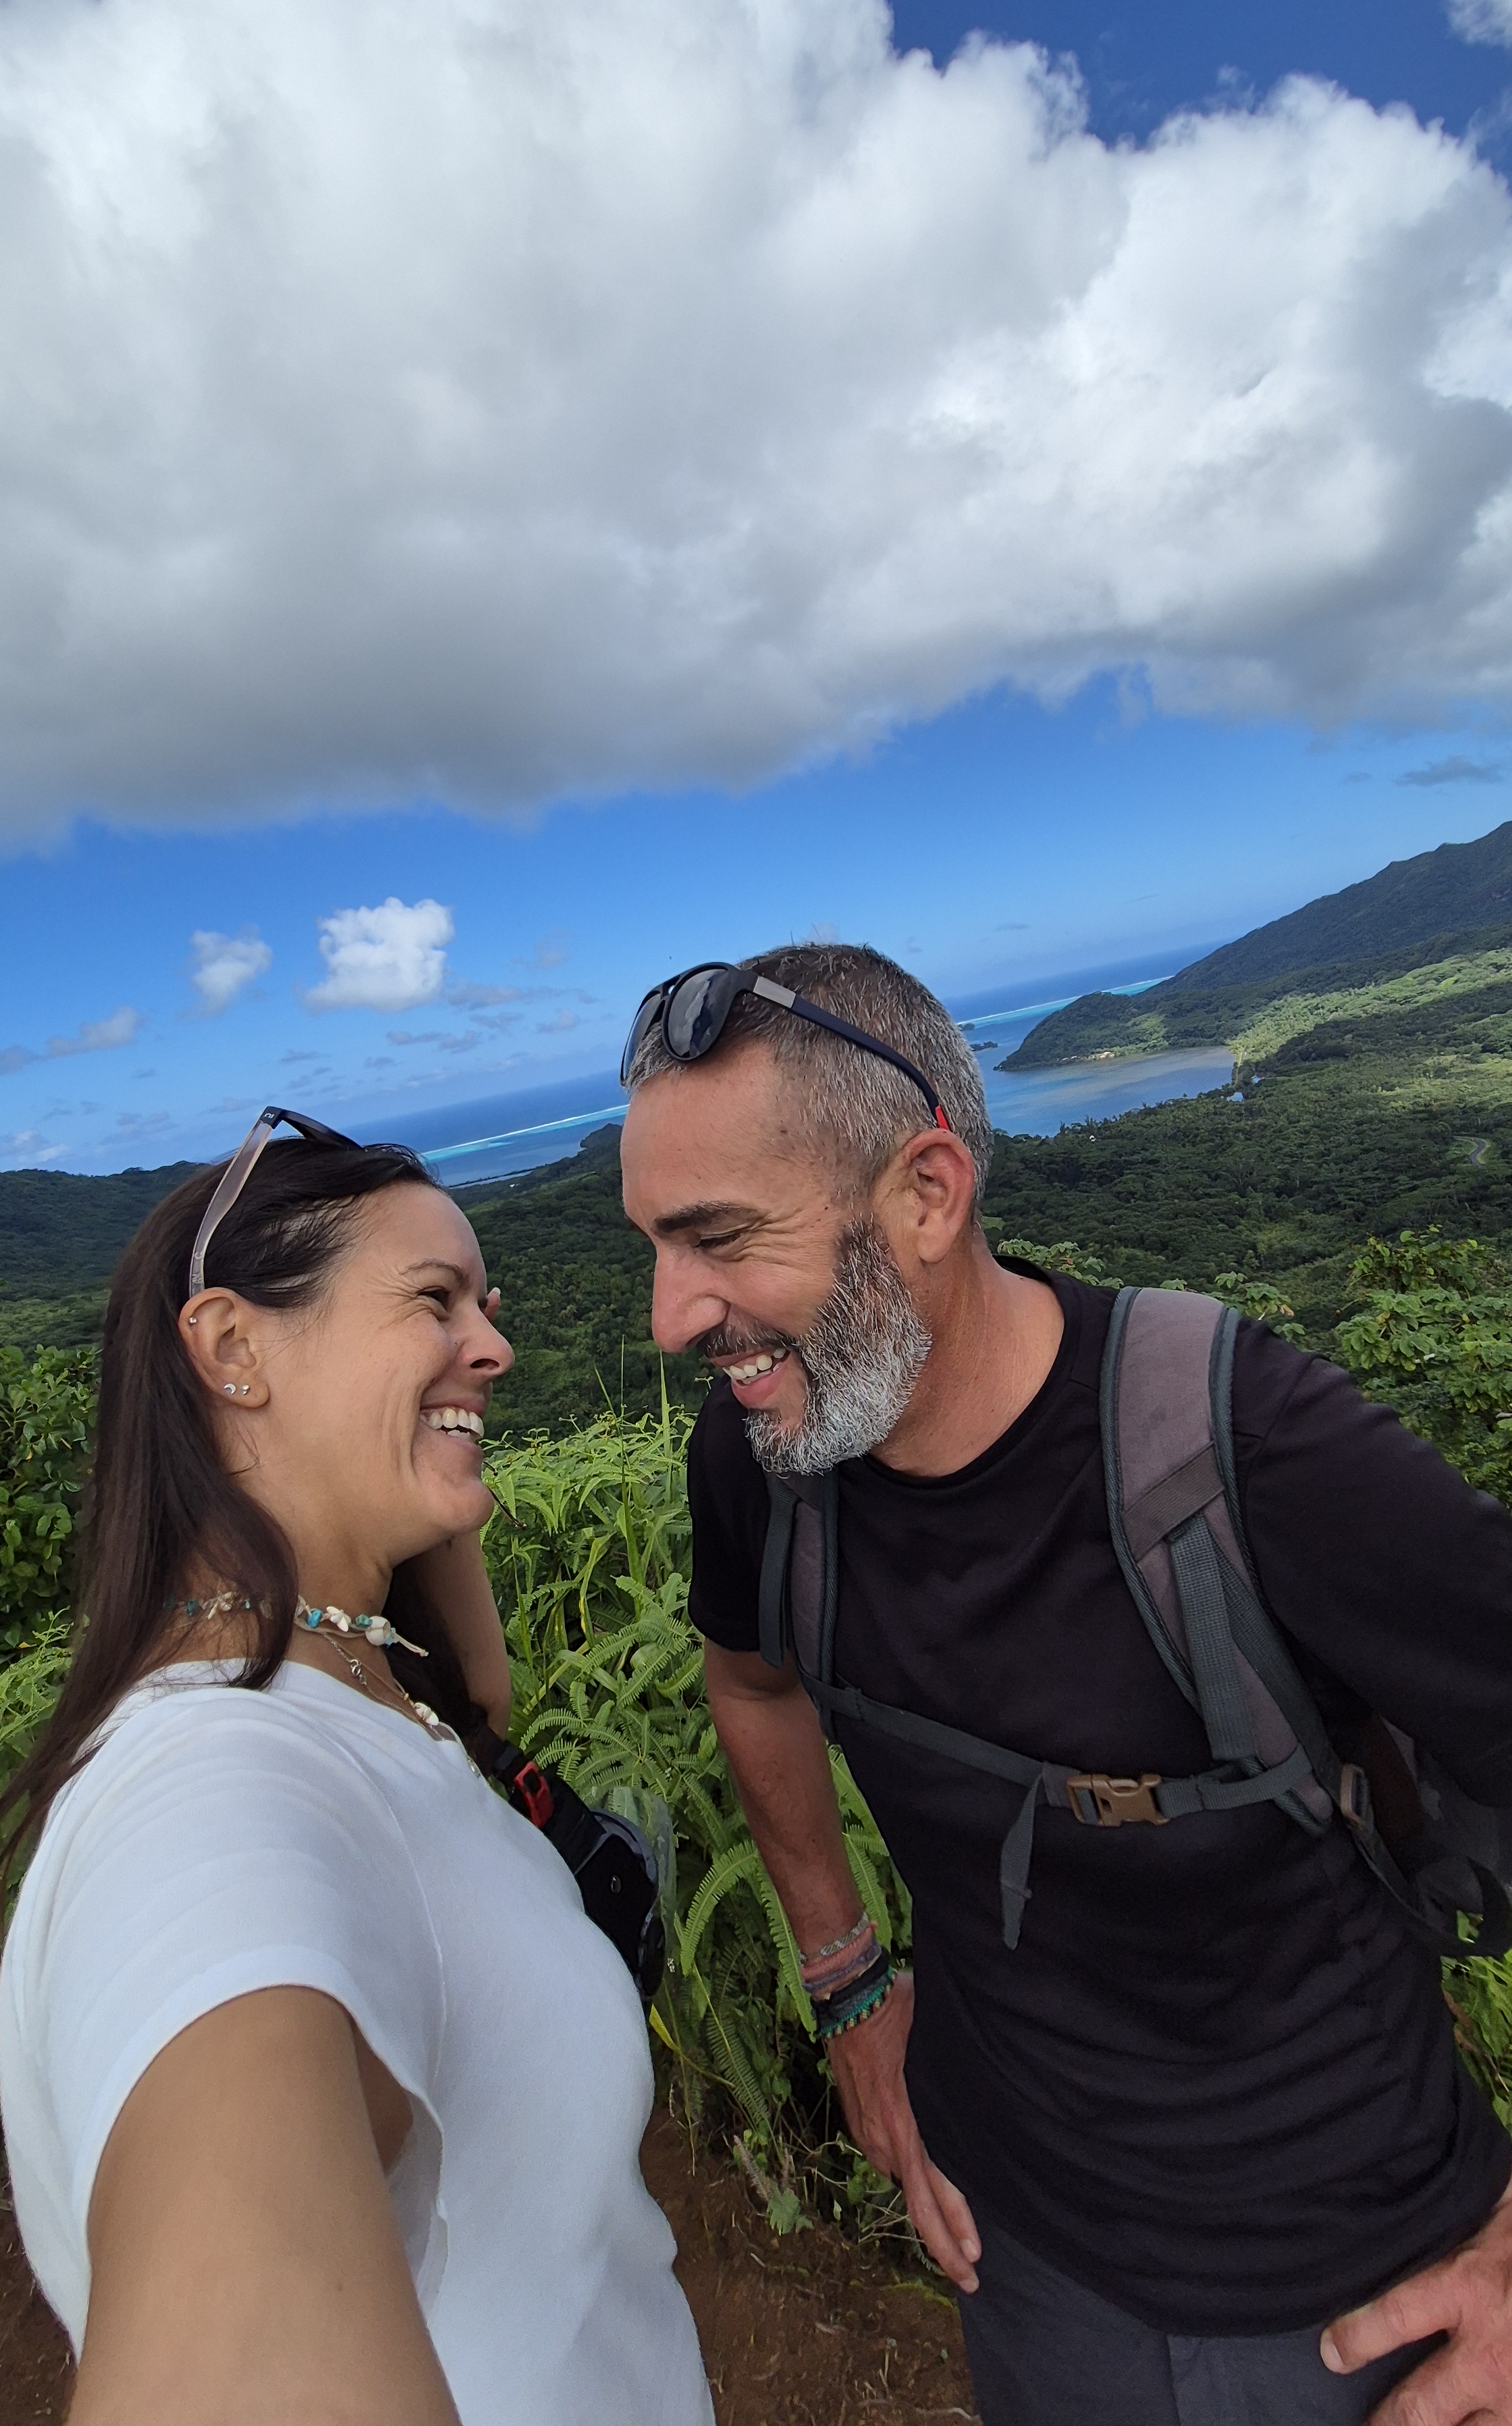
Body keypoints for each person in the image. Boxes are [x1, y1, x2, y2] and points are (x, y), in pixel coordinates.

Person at [619, 945, 1512, 2426]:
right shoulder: (764, 1466)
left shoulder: (1241, 1445)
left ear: (926, 1193)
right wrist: (849, 1987)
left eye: (719, 1237)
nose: (669, 1316)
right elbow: (753, 1686)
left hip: (1355, 2287)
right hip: (1022, 2254)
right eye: (655, 1244)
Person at [0, 1109, 713, 2426]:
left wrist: (410, 1450)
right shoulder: (203, 1790)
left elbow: (475, 1702)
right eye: (435, 1299)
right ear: (232, 1348)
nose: (494, 1344)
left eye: (486, 1305)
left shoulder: (349, 1675)